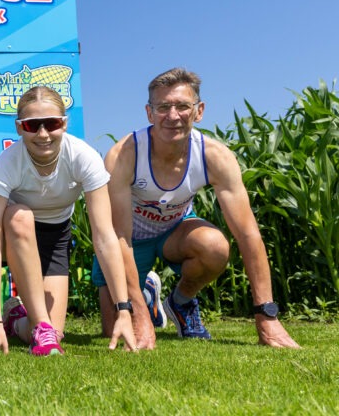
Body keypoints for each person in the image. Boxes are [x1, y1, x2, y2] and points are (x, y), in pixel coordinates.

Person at [95, 67, 300, 349]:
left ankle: (179, 301)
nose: (173, 116)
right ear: (149, 113)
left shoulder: (215, 156)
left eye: (182, 106)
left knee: (215, 247)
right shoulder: (124, 155)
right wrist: (139, 315)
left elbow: (248, 234)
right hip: (130, 241)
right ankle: (147, 299)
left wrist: (267, 315)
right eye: (163, 107)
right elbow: (119, 237)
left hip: (175, 234)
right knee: (114, 330)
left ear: (199, 110)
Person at [0, 86, 136, 356]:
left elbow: (105, 236)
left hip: (54, 236)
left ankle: (16, 318)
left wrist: (123, 309)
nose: (42, 134)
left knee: (51, 333)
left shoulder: (83, 157)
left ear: (64, 124)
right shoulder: (6, 164)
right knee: (20, 217)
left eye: (51, 123)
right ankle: (14, 319)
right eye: (31, 125)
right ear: (19, 128)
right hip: (6, 232)